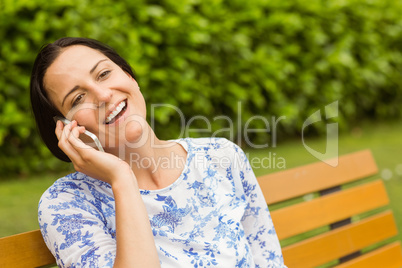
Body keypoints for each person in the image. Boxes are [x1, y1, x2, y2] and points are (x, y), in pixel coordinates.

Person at [31, 37, 286, 267]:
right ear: (65, 129)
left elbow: (270, 263)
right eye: (77, 99)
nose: (103, 95)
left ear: (130, 76)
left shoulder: (221, 156)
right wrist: (121, 179)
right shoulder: (66, 204)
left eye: (104, 74)